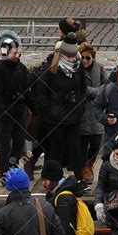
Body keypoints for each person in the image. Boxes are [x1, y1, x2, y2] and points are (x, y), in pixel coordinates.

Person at [35, 33, 87, 182]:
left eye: (73, 56)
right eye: (68, 56)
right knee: (55, 150)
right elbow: (41, 92)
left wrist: (80, 105)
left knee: (74, 149)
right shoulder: (51, 68)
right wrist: (49, 111)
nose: (71, 59)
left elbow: (83, 88)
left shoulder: (78, 67)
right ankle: (51, 180)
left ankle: (79, 180)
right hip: (55, 117)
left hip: (73, 115)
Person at [0, 36, 31, 178]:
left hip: (19, 111)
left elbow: (26, 89)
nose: (17, 56)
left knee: (19, 143)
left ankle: (13, 167)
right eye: (14, 54)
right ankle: (4, 170)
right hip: (4, 114)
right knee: (5, 144)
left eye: (18, 53)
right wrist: (4, 110)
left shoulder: (21, 68)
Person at [41, 159, 84, 235]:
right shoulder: (55, 193)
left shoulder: (63, 198)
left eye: (45, 180)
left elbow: (62, 228)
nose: (43, 183)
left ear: (54, 179)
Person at [78, 42, 107, 184]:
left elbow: (107, 84)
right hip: (81, 114)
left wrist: (96, 92)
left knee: (96, 144)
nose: (84, 60)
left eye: (88, 58)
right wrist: (95, 92)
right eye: (82, 57)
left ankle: (89, 166)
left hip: (96, 114)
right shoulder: (76, 69)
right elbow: (78, 88)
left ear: (93, 58)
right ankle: (84, 170)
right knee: (82, 146)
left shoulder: (99, 68)